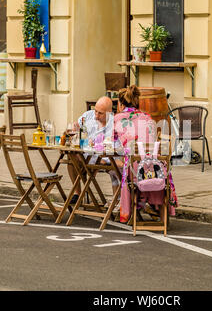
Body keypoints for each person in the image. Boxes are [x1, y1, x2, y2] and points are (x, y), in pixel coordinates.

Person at [113, 85, 177, 223]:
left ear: (120, 103)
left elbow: (109, 143)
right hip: (157, 169)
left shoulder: (118, 119)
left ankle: (133, 209)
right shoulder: (148, 117)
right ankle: (160, 215)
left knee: (121, 166)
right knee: (137, 162)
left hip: (136, 171)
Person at [66, 96, 118, 204]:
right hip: (86, 155)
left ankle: (116, 202)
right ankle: (77, 193)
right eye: (96, 111)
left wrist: (103, 159)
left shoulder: (114, 124)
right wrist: (73, 129)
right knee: (71, 157)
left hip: (104, 158)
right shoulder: (88, 116)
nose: (96, 116)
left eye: (100, 113)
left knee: (114, 167)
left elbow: (115, 148)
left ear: (109, 112)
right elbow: (76, 126)